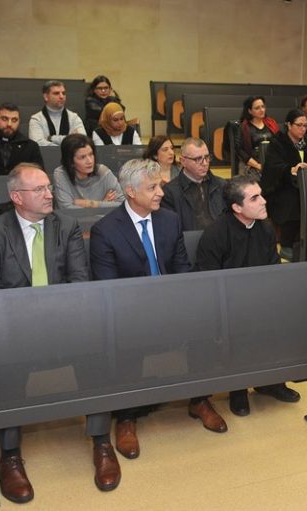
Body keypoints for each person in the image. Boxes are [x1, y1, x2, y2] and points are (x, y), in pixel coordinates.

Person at [0, 163, 121, 502]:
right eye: (39, 189)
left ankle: (101, 442)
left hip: (64, 322)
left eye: (48, 187)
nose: (48, 193)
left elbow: (79, 283)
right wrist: (30, 324)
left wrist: (58, 321)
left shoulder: (65, 226)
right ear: (16, 197)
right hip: (16, 329)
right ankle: (10, 455)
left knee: (96, 353)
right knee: (4, 364)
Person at [90, 159, 227, 461]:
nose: (161, 193)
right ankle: (126, 416)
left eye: (160, 186)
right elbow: (107, 289)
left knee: (205, 326)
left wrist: (185, 306)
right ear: (130, 192)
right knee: (126, 339)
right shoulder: (105, 230)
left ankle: (199, 398)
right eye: (152, 188)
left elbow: (180, 268)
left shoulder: (168, 220)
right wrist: (146, 311)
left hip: (170, 304)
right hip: (130, 312)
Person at [194, 175, 302, 416]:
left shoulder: (265, 227)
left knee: (286, 317)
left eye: (261, 195)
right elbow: (207, 282)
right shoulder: (215, 234)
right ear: (237, 207)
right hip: (226, 304)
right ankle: (238, 389)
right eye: (255, 198)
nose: (264, 201)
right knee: (241, 327)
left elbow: (273, 267)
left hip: (259, 298)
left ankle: (271, 382)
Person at [261, 109, 307, 260]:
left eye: (305, 126)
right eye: (299, 125)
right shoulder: (278, 142)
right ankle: (287, 244)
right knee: (291, 200)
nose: (303, 129)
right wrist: (291, 169)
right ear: (289, 125)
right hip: (283, 185)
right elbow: (272, 167)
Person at [162, 137, 227, 231]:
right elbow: (171, 230)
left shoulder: (221, 185)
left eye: (207, 157)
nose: (205, 163)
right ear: (183, 161)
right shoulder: (169, 193)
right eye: (198, 159)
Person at [53, 134, 124, 209]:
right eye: (82, 157)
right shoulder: (61, 174)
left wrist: (92, 204)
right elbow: (67, 209)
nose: (90, 161)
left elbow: (124, 204)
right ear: (70, 161)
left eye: (91, 154)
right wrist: (104, 204)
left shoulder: (103, 172)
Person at [28, 80, 86, 146]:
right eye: (56, 93)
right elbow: (37, 143)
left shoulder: (74, 118)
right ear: (46, 97)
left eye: (63, 93)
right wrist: (69, 141)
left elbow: (82, 141)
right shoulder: (36, 119)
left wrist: (51, 138)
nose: (61, 96)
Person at [236, 95, 279, 177]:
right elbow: (240, 151)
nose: (262, 110)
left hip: (271, 162)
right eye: (257, 108)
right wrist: (258, 166)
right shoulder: (243, 127)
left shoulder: (272, 123)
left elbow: (279, 144)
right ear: (250, 111)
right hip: (252, 164)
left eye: (263, 106)